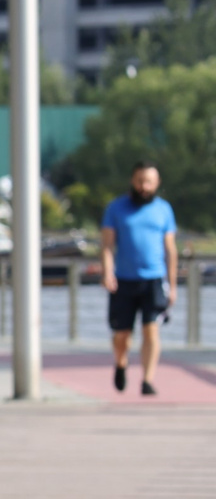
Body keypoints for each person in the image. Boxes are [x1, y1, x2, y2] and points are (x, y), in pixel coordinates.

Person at [102, 161, 179, 396]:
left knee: (151, 330)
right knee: (122, 334)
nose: (144, 186)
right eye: (140, 181)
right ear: (132, 180)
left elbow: (171, 250)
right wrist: (107, 272)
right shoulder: (116, 208)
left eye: (149, 182)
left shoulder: (164, 210)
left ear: (157, 184)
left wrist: (173, 285)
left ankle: (147, 379)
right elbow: (107, 245)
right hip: (123, 279)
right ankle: (121, 363)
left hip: (154, 279)